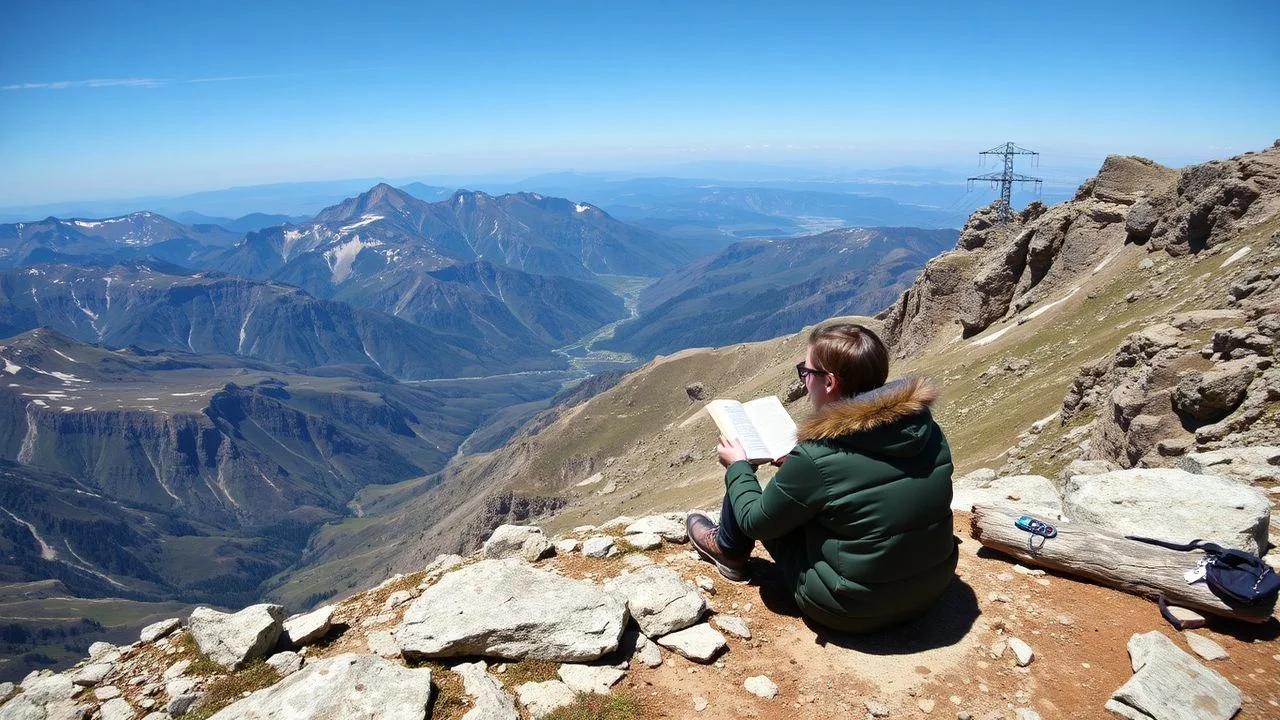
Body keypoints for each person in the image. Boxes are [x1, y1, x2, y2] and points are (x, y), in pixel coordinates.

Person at [686, 323, 957, 633]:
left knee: (766, 504)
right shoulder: (926, 429)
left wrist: (739, 466)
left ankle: (729, 551)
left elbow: (756, 522)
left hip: (848, 608)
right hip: (932, 588)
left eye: (807, 372)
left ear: (829, 382)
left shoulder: (819, 454)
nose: (803, 382)